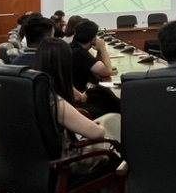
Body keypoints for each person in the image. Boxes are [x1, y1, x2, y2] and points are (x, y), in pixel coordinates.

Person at [33, 38, 120, 171]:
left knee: (110, 119)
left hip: (38, 161)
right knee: (115, 125)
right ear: (64, 66)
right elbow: (97, 133)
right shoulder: (55, 102)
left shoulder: (32, 90)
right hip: (65, 163)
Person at [70, 20, 119, 116]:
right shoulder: (80, 53)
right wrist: (103, 48)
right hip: (78, 99)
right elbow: (107, 71)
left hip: (75, 95)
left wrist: (99, 51)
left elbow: (98, 69)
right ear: (93, 39)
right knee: (114, 104)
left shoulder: (74, 48)